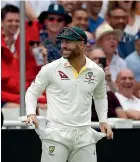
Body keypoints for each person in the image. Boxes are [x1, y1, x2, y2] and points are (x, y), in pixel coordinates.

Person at [24, 26, 113, 162]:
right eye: (62, 41)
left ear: (81, 44)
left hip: (84, 135)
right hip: (56, 133)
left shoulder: (97, 71)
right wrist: (31, 113)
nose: (64, 46)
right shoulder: (50, 69)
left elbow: (100, 96)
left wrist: (103, 121)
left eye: (68, 42)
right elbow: (32, 92)